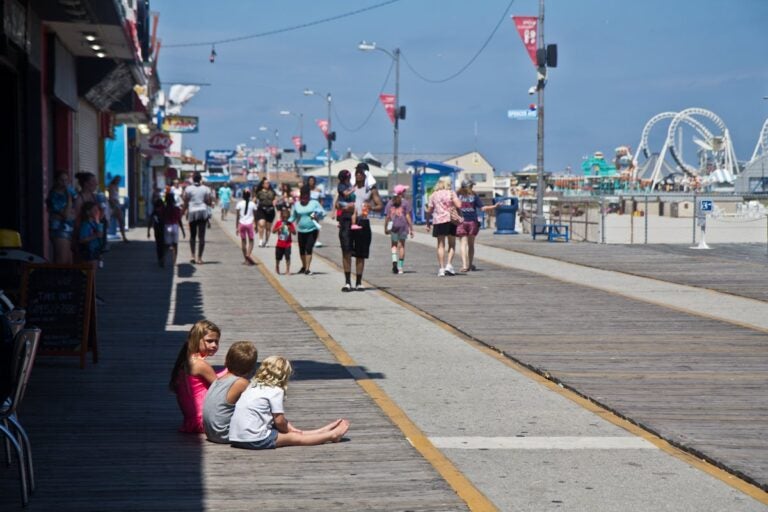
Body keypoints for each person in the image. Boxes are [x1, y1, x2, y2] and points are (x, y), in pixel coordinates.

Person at [229, 356, 350, 449]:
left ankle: (320, 432)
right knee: (294, 438)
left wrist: (290, 428)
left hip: (235, 437)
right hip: (253, 439)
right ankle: (331, 435)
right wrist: (290, 432)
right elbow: (279, 421)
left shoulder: (252, 386)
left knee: (290, 433)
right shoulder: (275, 390)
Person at [169, 320, 222, 434]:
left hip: (191, 422)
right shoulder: (200, 364)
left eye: (216, 342)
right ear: (196, 340)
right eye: (209, 341)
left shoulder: (187, 360)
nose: (214, 345)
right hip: (203, 421)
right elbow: (222, 390)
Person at [336, 163, 383, 291]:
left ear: (366, 174)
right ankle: (347, 282)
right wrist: (345, 207)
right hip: (347, 222)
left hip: (363, 222)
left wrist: (371, 207)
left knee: (361, 253)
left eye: (361, 173)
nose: (358, 175)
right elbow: (337, 204)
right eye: (356, 172)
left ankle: (358, 282)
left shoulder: (371, 190)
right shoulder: (348, 187)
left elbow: (380, 205)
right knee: (346, 251)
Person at [202, 341, 259, 444]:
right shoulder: (241, 383)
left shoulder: (218, 379)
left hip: (210, 433)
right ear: (251, 368)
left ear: (226, 360)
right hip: (224, 434)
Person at [456, 179, 500, 272]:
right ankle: (470, 264)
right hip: (472, 221)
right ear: (469, 187)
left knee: (463, 244)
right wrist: (494, 207)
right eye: (472, 186)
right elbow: (482, 208)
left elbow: (453, 207)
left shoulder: (457, 195)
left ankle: (464, 265)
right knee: (471, 244)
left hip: (461, 221)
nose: (472, 187)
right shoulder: (474, 195)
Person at [426, 176, 462, 277]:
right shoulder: (451, 193)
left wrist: (428, 223)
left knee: (440, 245)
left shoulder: (433, 195)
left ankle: (441, 269)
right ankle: (449, 265)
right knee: (451, 244)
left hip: (438, 221)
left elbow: (429, 210)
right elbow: (459, 205)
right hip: (450, 220)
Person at [288, 185, 323, 275]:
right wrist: (286, 222)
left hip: (312, 229)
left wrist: (317, 215)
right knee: (301, 249)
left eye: (306, 195)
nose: (304, 197)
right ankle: (303, 266)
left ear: (309, 195)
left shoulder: (314, 203)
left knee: (308, 248)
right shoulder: (297, 204)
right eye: (302, 195)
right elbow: (293, 216)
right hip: (301, 230)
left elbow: (323, 213)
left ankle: (307, 268)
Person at [46, 170, 77, 264]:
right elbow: (66, 215)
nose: (64, 183)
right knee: (61, 260)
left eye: (66, 180)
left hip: (69, 228)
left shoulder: (69, 192)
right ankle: (56, 278)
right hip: (59, 229)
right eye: (61, 180)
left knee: (69, 260)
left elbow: (75, 210)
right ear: (56, 181)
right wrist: (69, 198)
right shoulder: (54, 195)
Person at [383, 184, 414, 274]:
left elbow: (387, 217)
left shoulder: (390, 203)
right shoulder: (405, 203)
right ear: (402, 192)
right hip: (403, 226)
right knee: (402, 246)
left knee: (394, 246)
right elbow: (408, 216)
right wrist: (411, 228)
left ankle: (394, 262)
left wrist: (385, 227)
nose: (405, 192)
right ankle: (400, 267)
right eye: (404, 191)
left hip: (393, 226)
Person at [183, 172, 213, 264]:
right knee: (201, 236)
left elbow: (185, 201)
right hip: (202, 212)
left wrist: (184, 211)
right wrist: (208, 202)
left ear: (192, 179)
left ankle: (192, 256)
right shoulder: (206, 189)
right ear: (200, 179)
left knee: (192, 235)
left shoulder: (188, 189)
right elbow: (208, 201)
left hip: (192, 212)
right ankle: (199, 258)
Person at [76, 201, 106, 270]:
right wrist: (95, 235)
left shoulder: (95, 223)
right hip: (89, 251)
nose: (97, 211)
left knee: (93, 271)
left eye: (97, 210)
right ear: (88, 212)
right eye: (94, 210)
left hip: (95, 251)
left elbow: (100, 235)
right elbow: (82, 239)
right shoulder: (85, 225)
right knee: (90, 272)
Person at [162, 190, 186, 266]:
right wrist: (183, 231)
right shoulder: (177, 209)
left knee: (166, 245)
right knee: (175, 245)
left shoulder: (164, 208)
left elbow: (161, 219)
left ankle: (164, 259)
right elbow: (179, 220)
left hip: (167, 226)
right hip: (175, 226)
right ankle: (174, 262)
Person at [235, 189, 257, 266]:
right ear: (249, 195)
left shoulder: (239, 204)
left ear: (243, 195)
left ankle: (246, 259)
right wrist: (256, 225)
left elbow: (237, 217)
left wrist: (236, 227)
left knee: (243, 242)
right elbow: (255, 216)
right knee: (251, 241)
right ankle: (248, 254)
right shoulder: (253, 204)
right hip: (250, 224)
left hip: (241, 224)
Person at [272, 208, 296, 275]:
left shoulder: (290, 224)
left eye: (287, 218)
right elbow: (273, 231)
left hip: (287, 244)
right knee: (278, 258)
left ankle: (287, 270)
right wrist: (279, 228)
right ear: (281, 217)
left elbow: (294, 233)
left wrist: (290, 228)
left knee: (288, 257)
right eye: (284, 217)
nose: (285, 219)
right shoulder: (278, 223)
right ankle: (277, 266)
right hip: (279, 244)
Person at [254, 177, 277, 248]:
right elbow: (254, 199)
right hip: (261, 209)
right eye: (266, 183)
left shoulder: (272, 192)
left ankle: (266, 241)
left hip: (270, 210)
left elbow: (275, 198)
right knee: (261, 224)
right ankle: (260, 240)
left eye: (268, 183)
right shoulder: (259, 192)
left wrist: (275, 202)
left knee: (268, 227)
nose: (268, 184)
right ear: (263, 184)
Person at [107, 175, 128, 242]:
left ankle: (124, 236)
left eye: (119, 180)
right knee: (118, 220)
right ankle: (123, 237)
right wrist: (114, 205)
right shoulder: (111, 186)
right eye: (117, 179)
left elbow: (116, 196)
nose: (118, 181)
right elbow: (111, 197)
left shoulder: (116, 186)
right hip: (113, 204)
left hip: (117, 204)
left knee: (121, 221)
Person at [146, 197, 166, 267]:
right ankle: (162, 258)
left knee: (158, 245)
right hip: (163, 231)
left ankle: (160, 259)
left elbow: (150, 222)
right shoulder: (164, 211)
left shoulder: (154, 212)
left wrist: (148, 232)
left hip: (157, 231)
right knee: (163, 245)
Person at [306, 175, 324, 248]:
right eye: (310, 181)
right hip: (308, 209)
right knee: (309, 225)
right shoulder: (306, 190)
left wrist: (321, 208)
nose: (311, 182)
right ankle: (308, 240)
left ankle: (316, 240)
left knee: (316, 225)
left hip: (316, 210)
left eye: (312, 181)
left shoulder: (318, 190)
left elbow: (321, 200)